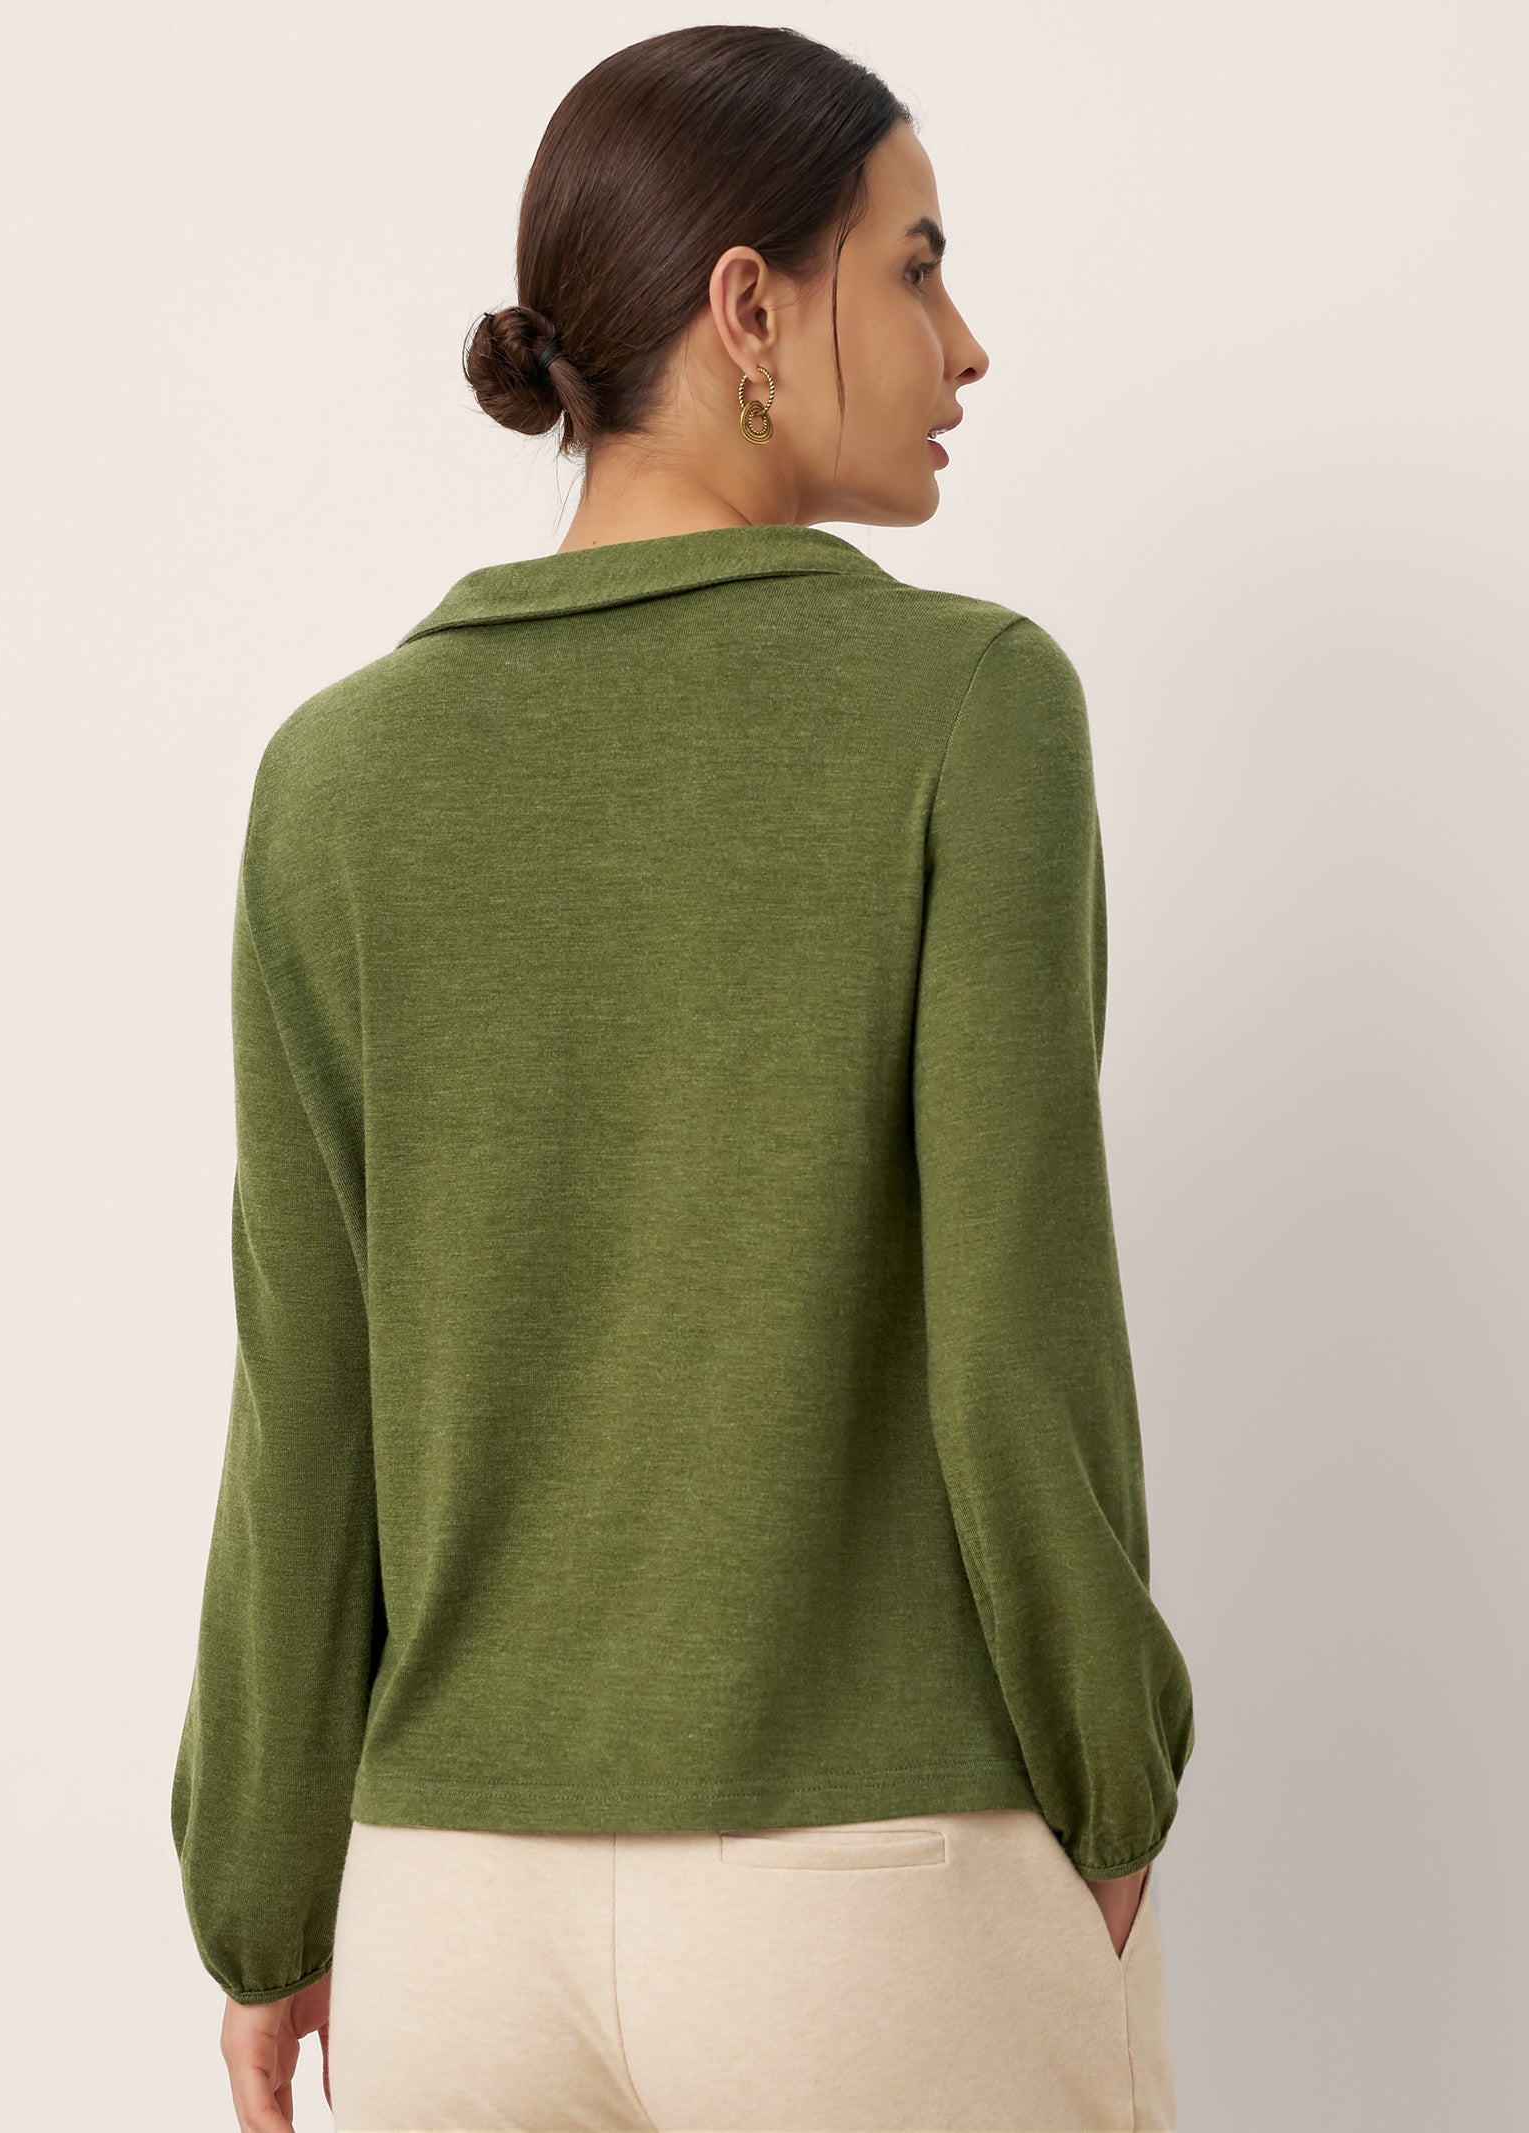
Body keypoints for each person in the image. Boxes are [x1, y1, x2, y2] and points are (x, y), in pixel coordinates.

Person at [170, 24, 1197, 2133]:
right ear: (749, 306)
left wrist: (265, 1903)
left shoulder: (334, 778)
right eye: (915, 266)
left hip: (448, 1919)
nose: (965, 343)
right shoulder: (967, 703)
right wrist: (1112, 1777)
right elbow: (1018, 1337)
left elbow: (303, 1405)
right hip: (877, 1886)